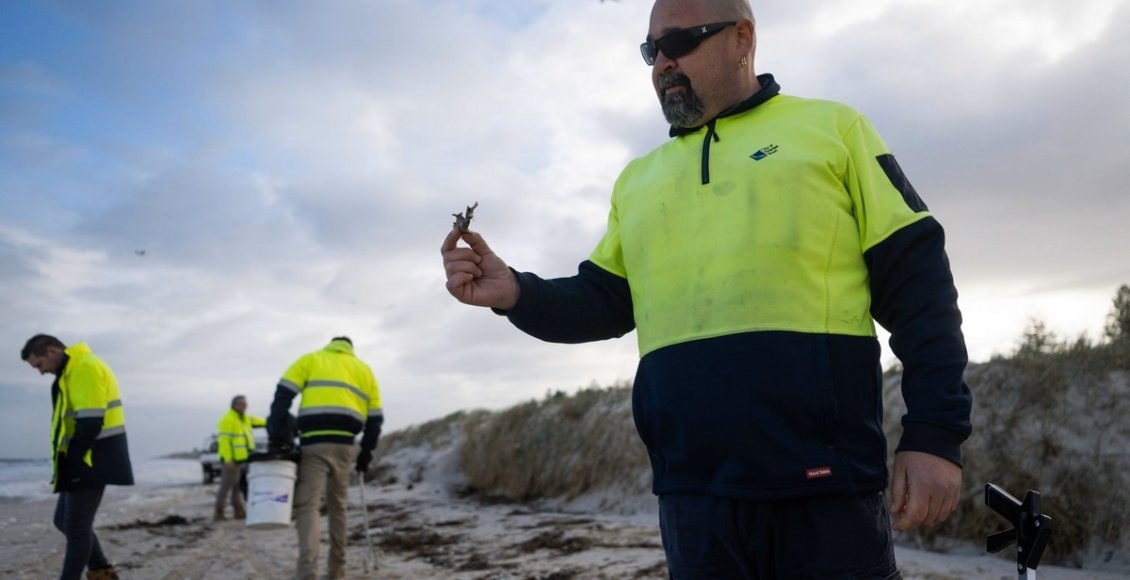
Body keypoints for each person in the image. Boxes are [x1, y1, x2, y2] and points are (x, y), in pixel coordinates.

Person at [440, 0, 973, 576]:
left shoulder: (834, 130)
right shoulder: (637, 180)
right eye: (651, 51)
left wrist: (934, 434)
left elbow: (920, 289)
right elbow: (603, 301)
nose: (662, 63)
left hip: (824, 488)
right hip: (692, 495)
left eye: (681, 42)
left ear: (742, 38)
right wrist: (514, 291)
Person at [267, 336, 383, 580]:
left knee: (308, 505)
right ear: (351, 348)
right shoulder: (364, 370)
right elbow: (375, 419)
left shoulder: (312, 359)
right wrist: (366, 453)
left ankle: (308, 571)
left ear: (331, 344)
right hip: (345, 446)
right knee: (338, 507)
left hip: (313, 444)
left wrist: (279, 432)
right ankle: (337, 570)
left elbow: (282, 395)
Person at [21, 334, 133, 580]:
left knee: (75, 526)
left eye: (38, 365)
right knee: (63, 521)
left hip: (92, 458)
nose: (40, 372)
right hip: (85, 457)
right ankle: (102, 570)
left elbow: (91, 420)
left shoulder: (83, 367)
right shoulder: (71, 370)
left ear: (51, 351)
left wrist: (74, 462)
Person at [212, 394, 266, 521]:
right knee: (226, 487)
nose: (244, 407)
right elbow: (224, 441)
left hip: (242, 459)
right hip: (231, 460)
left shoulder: (245, 419)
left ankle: (239, 511)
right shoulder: (227, 419)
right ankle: (218, 512)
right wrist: (227, 459)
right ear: (234, 405)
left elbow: (262, 422)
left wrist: (277, 418)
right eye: (241, 404)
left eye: (245, 405)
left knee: (237, 487)